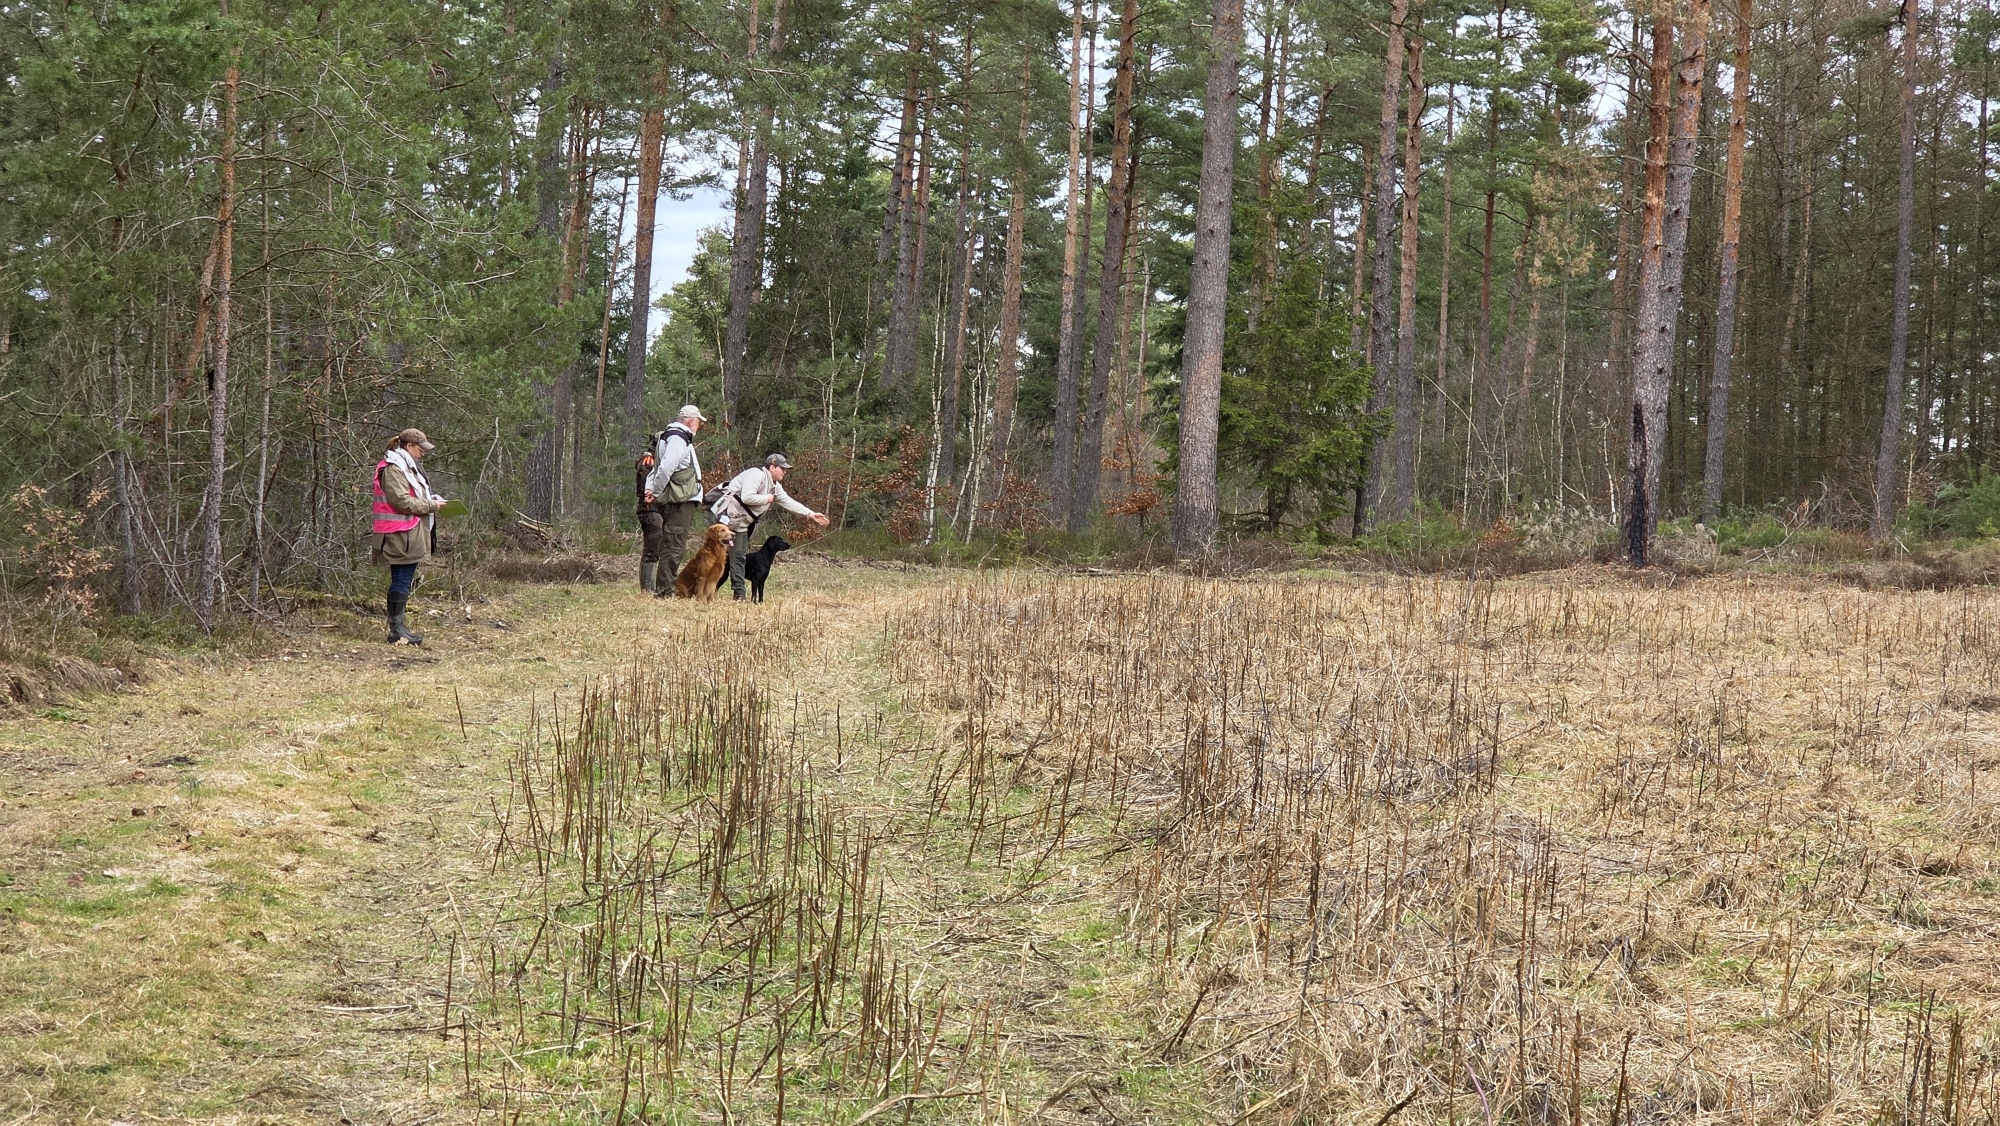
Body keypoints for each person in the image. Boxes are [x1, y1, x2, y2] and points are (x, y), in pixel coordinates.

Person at [710, 453, 830, 601]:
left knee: (739, 558)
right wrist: (767, 498)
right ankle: (701, 590)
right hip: (721, 521)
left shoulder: (775, 487)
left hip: (740, 526)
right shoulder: (755, 475)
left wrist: (810, 514)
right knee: (713, 557)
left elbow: (788, 502)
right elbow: (747, 497)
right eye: (782, 468)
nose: (785, 471)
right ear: (772, 467)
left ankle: (739, 595)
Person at [371, 428, 446, 645]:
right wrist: (432, 505)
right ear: (408, 446)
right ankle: (396, 630)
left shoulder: (406, 466)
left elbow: (411, 497)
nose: (423, 452)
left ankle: (399, 628)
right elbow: (401, 501)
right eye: (420, 448)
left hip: (407, 533)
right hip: (399, 534)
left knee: (404, 579)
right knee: (401, 580)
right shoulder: (394, 468)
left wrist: (432, 500)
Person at [638, 404, 707, 596]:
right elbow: (665, 468)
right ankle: (665, 592)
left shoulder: (672, 436)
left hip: (680, 498)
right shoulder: (678, 438)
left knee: (673, 543)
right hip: (680, 500)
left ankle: (665, 589)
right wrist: (655, 491)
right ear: (691, 421)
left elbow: (658, 468)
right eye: (698, 421)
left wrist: (650, 489)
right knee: (674, 545)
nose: (699, 425)